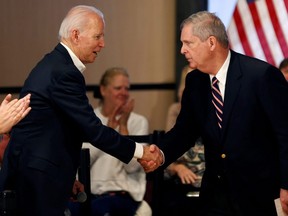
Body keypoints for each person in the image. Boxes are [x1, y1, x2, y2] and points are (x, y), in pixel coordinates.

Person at [0, 5, 162, 216]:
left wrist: (67, 178)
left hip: (38, 177)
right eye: (98, 36)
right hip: (37, 182)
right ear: (76, 35)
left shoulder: (55, 64)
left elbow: (56, 130)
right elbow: (92, 129)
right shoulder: (64, 72)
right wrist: (141, 152)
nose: (102, 44)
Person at [140, 11, 288, 216]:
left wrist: (286, 186)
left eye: (188, 43)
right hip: (215, 196)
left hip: (258, 195)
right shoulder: (194, 82)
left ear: (211, 42)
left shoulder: (261, 76)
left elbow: (285, 135)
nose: (182, 50)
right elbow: (184, 132)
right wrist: (160, 154)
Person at [68, 67, 152, 216]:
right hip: (91, 194)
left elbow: (132, 167)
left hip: (123, 194)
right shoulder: (90, 120)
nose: (124, 93)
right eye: (118, 88)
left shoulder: (138, 121)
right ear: (103, 90)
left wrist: (123, 127)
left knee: (101, 208)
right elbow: (81, 162)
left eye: (127, 88)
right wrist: (106, 133)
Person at [160, 65, 205, 215]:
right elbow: (167, 153)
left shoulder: (218, 110)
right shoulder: (175, 111)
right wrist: (178, 168)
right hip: (183, 183)